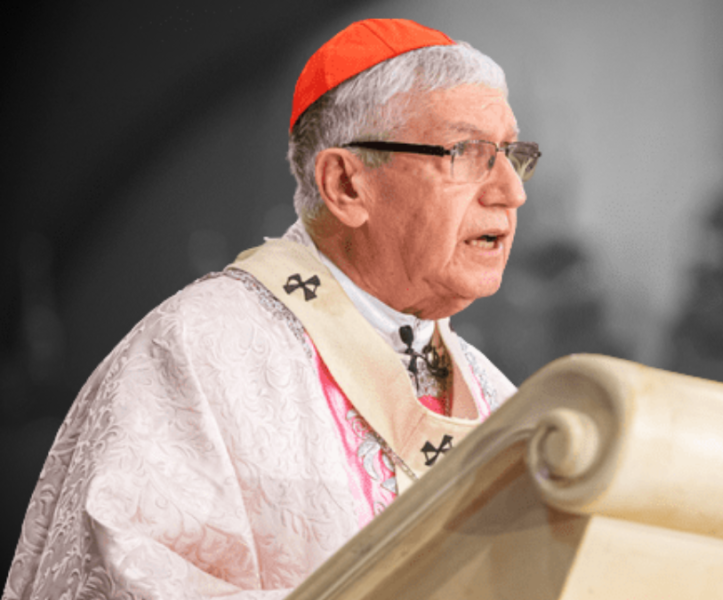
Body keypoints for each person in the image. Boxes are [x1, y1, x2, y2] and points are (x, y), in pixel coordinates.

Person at [3, 18, 540, 600]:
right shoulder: (197, 352)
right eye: (467, 153)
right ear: (345, 185)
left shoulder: (496, 397)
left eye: (512, 154)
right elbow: (125, 581)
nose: (512, 191)